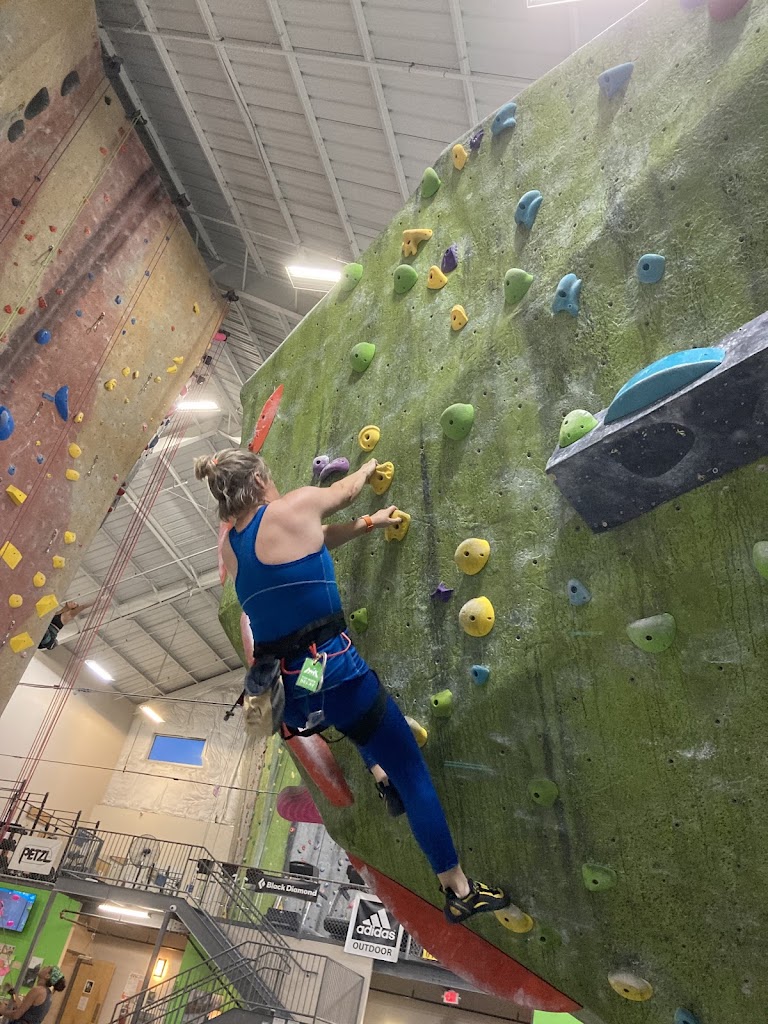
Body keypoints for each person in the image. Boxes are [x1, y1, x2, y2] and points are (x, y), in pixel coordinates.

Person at [195, 449, 510, 924]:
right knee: (410, 768)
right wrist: (365, 469)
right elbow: (343, 492)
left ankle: (379, 775)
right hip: (335, 672)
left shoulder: (232, 548)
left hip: (293, 691)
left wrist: (368, 524)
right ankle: (459, 888)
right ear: (259, 480)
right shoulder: (291, 507)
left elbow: (314, 540)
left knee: (358, 718)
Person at [0, 966, 66, 1024]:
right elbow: (23, 1008)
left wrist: (2, 1010)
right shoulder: (47, 993)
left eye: (47, 967)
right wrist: (13, 993)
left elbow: (16, 1015)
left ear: (47, 976)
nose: (44, 967)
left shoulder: (38, 990)